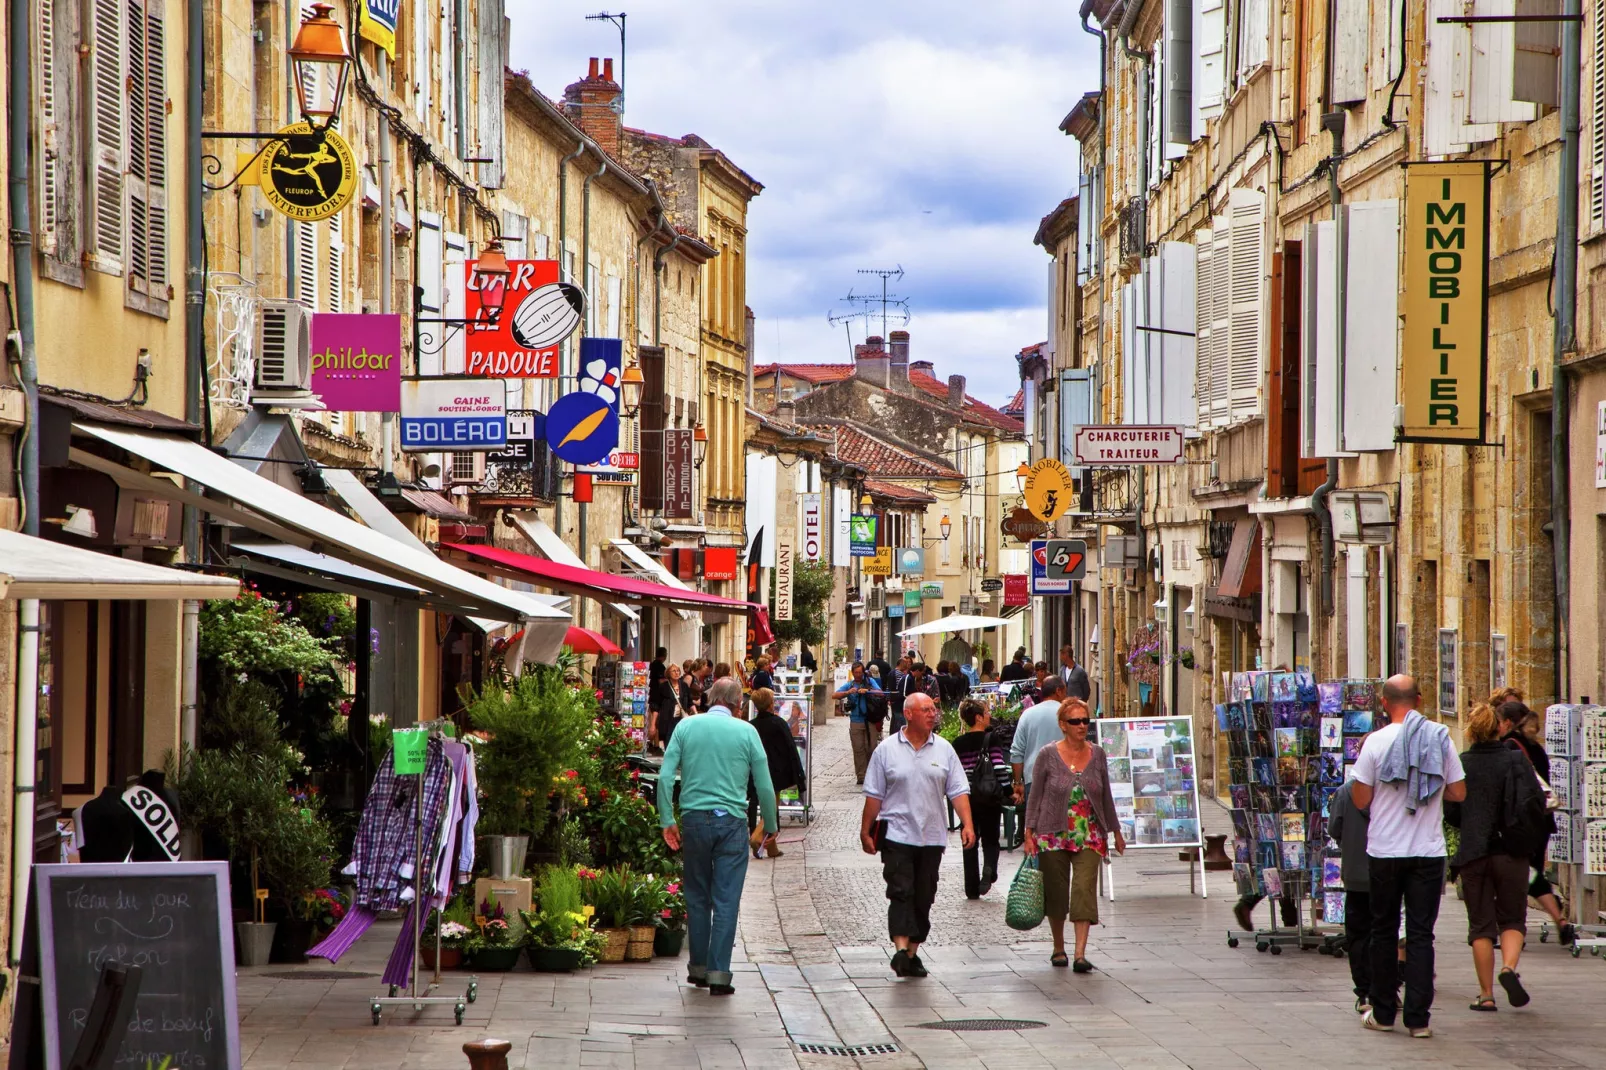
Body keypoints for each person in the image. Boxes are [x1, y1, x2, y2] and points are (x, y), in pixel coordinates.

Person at [1351, 674, 1467, 1038]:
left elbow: (1360, 799)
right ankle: (1418, 1020)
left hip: (1385, 850)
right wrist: (1429, 790)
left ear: (1383, 704)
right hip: (1427, 852)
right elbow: (1459, 792)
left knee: (1383, 931)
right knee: (1420, 935)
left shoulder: (1375, 743)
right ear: (1419, 700)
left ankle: (1384, 1012)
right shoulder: (1439, 738)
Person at [657, 677, 777, 995]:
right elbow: (764, 784)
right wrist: (770, 823)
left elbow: (665, 776)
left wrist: (667, 819)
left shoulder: (686, 727)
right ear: (739, 705)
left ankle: (697, 968)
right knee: (726, 900)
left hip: (695, 821)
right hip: (732, 824)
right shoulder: (746, 732)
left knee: (697, 897)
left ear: (711, 699)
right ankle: (718, 974)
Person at [860, 693, 975, 978]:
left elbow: (958, 790)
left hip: (932, 836)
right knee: (901, 891)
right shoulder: (886, 751)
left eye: (934, 709)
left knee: (924, 896)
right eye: (926, 709)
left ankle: (911, 953)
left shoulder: (944, 750)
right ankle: (900, 950)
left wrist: (968, 825)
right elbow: (874, 795)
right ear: (908, 714)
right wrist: (866, 830)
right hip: (897, 834)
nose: (932, 714)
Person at [1447, 703, 1546, 1012]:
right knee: (1513, 918)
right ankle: (1509, 968)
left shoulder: (1462, 764)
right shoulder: (1515, 760)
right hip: (1511, 852)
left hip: (1475, 852)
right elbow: (1534, 801)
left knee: (1480, 926)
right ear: (1499, 727)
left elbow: (1451, 811)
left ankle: (1486, 994)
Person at [1023, 700, 1124, 971]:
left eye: (1085, 721)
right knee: (1056, 894)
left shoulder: (1098, 755)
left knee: (1083, 890)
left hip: (1090, 834)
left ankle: (1080, 954)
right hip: (1051, 834)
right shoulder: (1047, 755)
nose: (1082, 726)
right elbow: (1035, 797)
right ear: (1063, 725)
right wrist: (1028, 831)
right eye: (1076, 721)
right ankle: (1059, 948)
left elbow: (1106, 797)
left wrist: (1116, 830)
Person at [1496, 700, 1575, 945]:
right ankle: (1551, 918)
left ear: (1508, 723)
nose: (1497, 727)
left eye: (1498, 722)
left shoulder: (1509, 747)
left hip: (1521, 824)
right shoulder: (1535, 748)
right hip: (1540, 822)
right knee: (1532, 873)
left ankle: (1552, 919)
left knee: (1522, 875)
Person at [1327, 768, 1375, 1014]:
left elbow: (1334, 829)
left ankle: (1364, 991)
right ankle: (1387, 988)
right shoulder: (1389, 791)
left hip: (1356, 873)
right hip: (1386, 872)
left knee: (1358, 935)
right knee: (1385, 932)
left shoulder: (1345, 792)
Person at [951, 700, 1010, 897]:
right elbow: (1000, 768)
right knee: (991, 837)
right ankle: (989, 869)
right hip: (989, 796)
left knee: (969, 838)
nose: (988, 715)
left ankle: (971, 887)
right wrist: (1010, 791)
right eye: (985, 712)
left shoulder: (958, 743)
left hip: (966, 798)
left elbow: (954, 773)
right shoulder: (991, 739)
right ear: (977, 717)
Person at [747, 687, 805, 860]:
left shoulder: (752, 725)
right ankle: (757, 836)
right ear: (771, 704)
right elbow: (790, 748)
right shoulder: (778, 723)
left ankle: (772, 848)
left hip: (758, 771)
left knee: (769, 806)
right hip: (777, 772)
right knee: (771, 808)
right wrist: (797, 775)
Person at [1009, 677, 1067, 803]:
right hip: (1065, 779)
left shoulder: (1027, 715)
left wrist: (1018, 782)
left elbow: (1017, 752)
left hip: (1034, 779)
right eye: (1064, 691)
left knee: (1035, 821)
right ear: (1058, 691)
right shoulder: (1068, 714)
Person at [836, 662, 886, 784]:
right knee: (858, 749)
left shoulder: (869, 682)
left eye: (860, 672)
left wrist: (867, 690)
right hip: (855, 720)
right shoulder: (850, 684)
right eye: (856, 672)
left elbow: (881, 693)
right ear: (852, 673)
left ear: (863, 672)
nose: (858, 675)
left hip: (870, 719)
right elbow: (835, 695)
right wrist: (848, 692)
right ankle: (861, 776)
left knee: (871, 747)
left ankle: (871, 774)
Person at [650, 661, 685, 751]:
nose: (677, 673)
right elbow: (656, 706)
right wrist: (653, 724)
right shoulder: (663, 687)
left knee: (681, 744)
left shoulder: (684, 686)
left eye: (678, 671)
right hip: (668, 720)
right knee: (669, 744)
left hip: (681, 719)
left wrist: (695, 713)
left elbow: (690, 703)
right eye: (674, 671)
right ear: (668, 673)